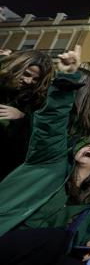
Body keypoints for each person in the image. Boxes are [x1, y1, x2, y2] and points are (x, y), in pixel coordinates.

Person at [0, 46, 90, 265]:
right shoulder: (53, 160)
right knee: (57, 240)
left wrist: (87, 238)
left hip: (23, 245)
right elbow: (52, 123)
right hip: (6, 229)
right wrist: (67, 80)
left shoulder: (82, 195)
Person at [0, 49, 54, 179]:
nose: (29, 81)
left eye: (36, 79)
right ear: (15, 67)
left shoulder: (34, 100)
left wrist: (22, 117)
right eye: (27, 74)